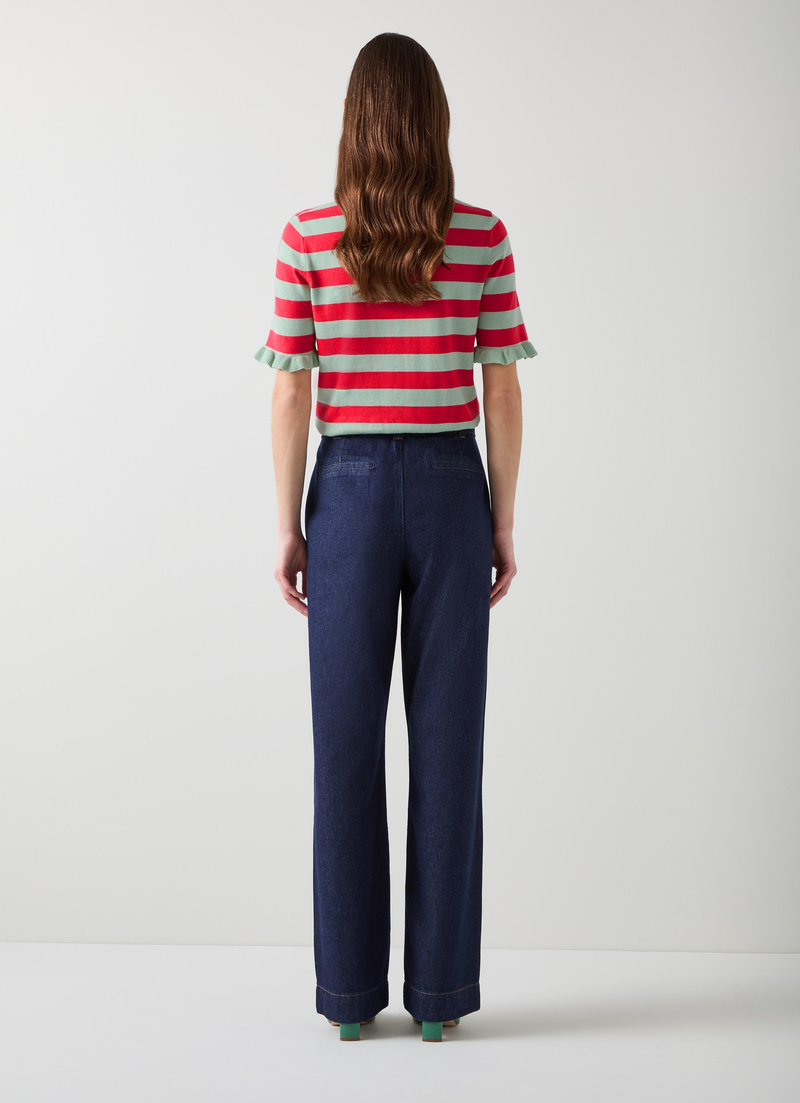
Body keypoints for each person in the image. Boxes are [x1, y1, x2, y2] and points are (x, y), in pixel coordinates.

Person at [254, 32, 537, 1042]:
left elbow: (291, 393)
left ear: (354, 122)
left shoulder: (307, 237)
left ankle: (346, 999)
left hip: (348, 491)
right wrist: (502, 517)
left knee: (343, 747)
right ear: (433, 120)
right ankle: (439, 1001)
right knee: (448, 746)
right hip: (453, 483)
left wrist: (287, 524)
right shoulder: (481, 236)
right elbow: (501, 388)